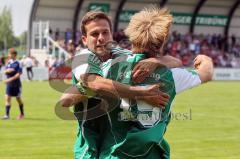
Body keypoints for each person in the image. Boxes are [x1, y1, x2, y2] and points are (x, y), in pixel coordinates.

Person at [60, 8, 213, 158]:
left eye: (105, 32)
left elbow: (68, 98)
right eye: (94, 34)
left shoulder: (111, 68)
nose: (101, 38)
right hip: (135, 151)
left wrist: (155, 61)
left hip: (114, 151)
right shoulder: (172, 76)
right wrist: (206, 59)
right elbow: (205, 73)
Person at [2, 48, 25, 120]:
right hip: (9, 84)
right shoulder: (9, 62)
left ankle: (22, 114)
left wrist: (9, 79)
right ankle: (7, 115)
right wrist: (7, 71)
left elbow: (18, 74)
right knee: (7, 98)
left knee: (18, 99)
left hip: (16, 84)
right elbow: (5, 71)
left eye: (10, 54)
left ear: (14, 55)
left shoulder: (18, 63)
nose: (8, 55)